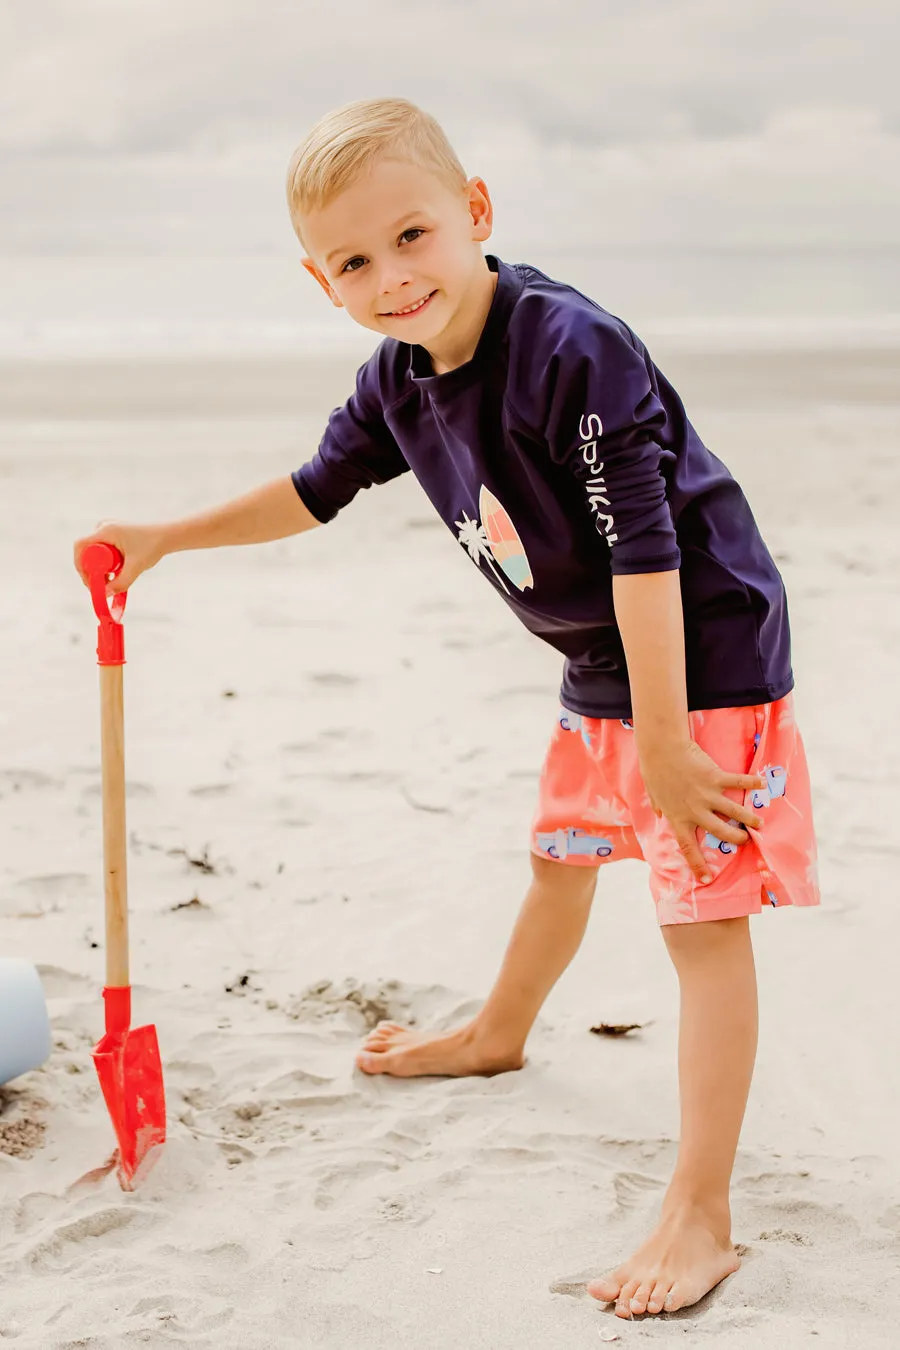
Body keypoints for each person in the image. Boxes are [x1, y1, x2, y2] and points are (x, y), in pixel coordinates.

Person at [74, 97, 820, 1320]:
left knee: (702, 922)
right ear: (324, 282)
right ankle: (499, 1030)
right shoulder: (397, 382)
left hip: (701, 653)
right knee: (563, 859)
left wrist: (675, 745)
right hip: (600, 663)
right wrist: (165, 537)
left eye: (413, 236)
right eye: (356, 262)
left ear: (476, 212)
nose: (393, 276)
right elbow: (314, 494)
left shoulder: (576, 348)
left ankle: (701, 1212)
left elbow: (647, 552)